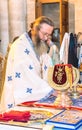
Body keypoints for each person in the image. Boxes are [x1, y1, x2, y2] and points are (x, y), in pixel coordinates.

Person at [1, 16, 56, 111]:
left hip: (36, 94)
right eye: (44, 34)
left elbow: (47, 66)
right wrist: (48, 90)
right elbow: (26, 75)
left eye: (49, 35)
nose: (46, 38)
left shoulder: (39, 44)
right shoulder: (20, 46)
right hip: (18, 99)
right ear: (34, 29)